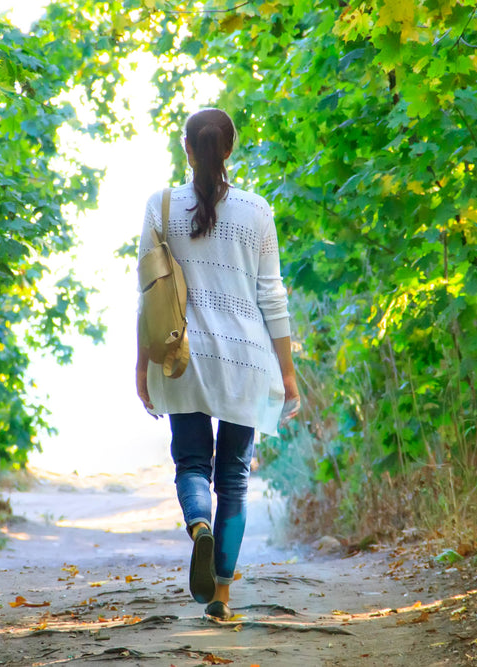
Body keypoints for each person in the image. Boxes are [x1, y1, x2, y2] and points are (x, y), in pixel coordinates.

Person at [135, 108, 300, 621]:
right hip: (245, 362)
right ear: (228, 150)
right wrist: (288, 373)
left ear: (188, 148)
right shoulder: (258, 212)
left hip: (183, 358)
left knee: (190, 464)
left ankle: (198, 527)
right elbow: (272, 297)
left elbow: (148, 295)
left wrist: (141, 366)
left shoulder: (160, 207)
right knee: (233, 478)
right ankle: (221, 598)